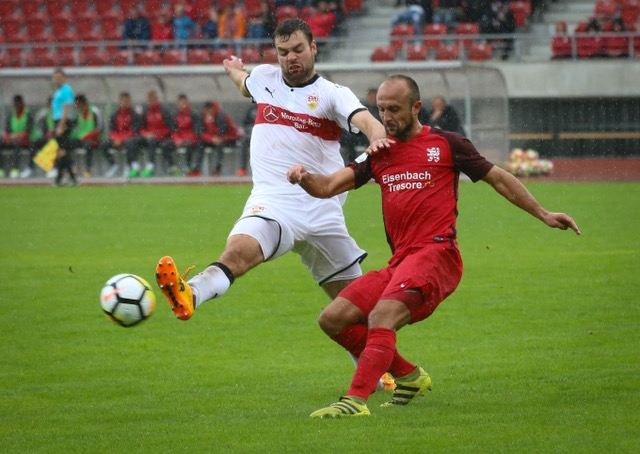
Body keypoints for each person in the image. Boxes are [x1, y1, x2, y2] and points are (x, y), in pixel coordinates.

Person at [286, 74, 581, 418]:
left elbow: (498, 178)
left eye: (394, 109)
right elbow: (328, 186)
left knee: (382, 315)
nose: (386, 118)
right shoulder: (379, 154)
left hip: (437, 255)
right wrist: (303, 177)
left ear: (416, 108)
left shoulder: (447, 143)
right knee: (332, 318)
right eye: (381, 110)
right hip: (400, 261)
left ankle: (355, 400)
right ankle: (409, 376)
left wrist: (543, 213)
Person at [154, 18, 387, 325]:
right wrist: (235, 69)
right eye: (283, 51)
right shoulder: (264, 77)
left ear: (313, 48)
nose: (291, 57)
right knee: (237, 254)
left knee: (358, 312)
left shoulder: (333, 94)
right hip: (273, 202)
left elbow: (368, 122)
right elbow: (243, 83)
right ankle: (191, 293)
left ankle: (385, 372)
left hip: (322, 209)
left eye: (298, 49)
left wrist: (378, 139)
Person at [186, 101, 242, 177]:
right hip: (211, 139)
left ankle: (218, 169)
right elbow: (199, 132)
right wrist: (211, 138)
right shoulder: (201, 116)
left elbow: (222, 132)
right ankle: (196, 169)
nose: (208, 113)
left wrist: (210, 126)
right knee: (200, 144)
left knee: (220, 145)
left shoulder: (221, 116)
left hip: (228, 138)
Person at [99, 92, 143, 178]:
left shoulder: (134, 115)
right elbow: (112, 130)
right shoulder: (114, 115)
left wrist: (122, 139)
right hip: (117, 139)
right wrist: (116, 138)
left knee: (129, 143)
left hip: (129, 139)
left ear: (130, 101)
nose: (124, 102)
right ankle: (113, 165)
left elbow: (134, 130)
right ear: (119, 101)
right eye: (122, 100)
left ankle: (129, 166)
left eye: (126, 100)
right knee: (103, 144)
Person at [137, 90, 177, 177]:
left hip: (163, 138)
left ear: (157, 99)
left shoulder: (164, 111)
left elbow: (170, 128)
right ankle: (134, 166)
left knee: (162, 144)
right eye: (149, 100)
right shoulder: (145, 111)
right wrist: (146, 134)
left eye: (153, 99)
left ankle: (168, 166)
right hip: (149, 138)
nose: (151, 102)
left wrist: (157, 135)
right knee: (133, 141)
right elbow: (141, 128)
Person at [51, 68, 78, 187]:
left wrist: (61, 126)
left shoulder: (66, 90)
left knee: (61, 151)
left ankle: (70, 178)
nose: (57, 80)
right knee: (60, 151)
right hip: (59, 121)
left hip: (63, 122)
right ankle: (62, 178)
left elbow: (66, 109)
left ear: (64, 78)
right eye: (55, 77)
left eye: (59, 77)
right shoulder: (60, 91)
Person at [1, 95, 36, 179]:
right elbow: (7, 130)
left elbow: (28, 132)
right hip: (14, 139)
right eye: (15, 104)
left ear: (21, 103)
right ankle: (1, 169)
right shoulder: (12, 114)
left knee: (17, 145)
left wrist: (13, 138)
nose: (16, 106)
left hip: (27, 140)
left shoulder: (28, 113)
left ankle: (15, 169)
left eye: (18, 104)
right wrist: (6, 138)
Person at [69, 94, 104, 178]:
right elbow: (73, 126)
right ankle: (72, 167)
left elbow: (100, 128)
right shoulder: (79, 114)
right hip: (82, 139)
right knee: (67, 144)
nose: (75, 106)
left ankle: (88, 170)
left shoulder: (94, 111)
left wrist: (87, 136)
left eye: (76, 104)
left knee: (88, 145)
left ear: (82, 103)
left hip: (94, 139)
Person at [172, 93, 201, 174]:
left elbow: (196, 131)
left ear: (187, 102)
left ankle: (188, 166)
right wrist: (176, 138)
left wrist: (184, 139)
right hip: (179, 139)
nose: (182, 104)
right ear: (177, 103)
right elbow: (174, 130)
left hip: (191, 139)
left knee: (189, 145)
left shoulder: (194, 114)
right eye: (180, 102)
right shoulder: (175, 115)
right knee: (165, 145)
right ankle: (172, 166)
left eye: (184, 102)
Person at [236, 103, 258, 177]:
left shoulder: (269, 107)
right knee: (244, 143)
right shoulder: (252, 109)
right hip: (251, 135)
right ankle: (243, 168)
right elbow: (245, 122)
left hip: (265, 137)